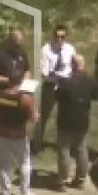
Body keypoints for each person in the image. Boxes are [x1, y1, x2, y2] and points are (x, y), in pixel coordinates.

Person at [0, 69, 39, 195]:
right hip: (19, 135)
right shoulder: (25, 98)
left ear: (9, 80)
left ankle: (5, 194)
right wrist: (36, 114)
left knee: (4, 164)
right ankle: (24, 193)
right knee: (24, 162)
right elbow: (34, 118)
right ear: (21, 81)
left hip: (2, 134)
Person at [32, 24, 76, 154]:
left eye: (62, 37)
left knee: (67, 115)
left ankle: (66, 144)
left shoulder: (70, 49)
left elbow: (74, 67)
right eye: (57, 36)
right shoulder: (46, 50)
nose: (59, 40)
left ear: (66, 37)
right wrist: (56, 77)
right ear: (53, 36)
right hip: (51, 85)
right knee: (44, 115)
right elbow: (45, 73)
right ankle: (36, 144)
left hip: (66, 84)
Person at [55, 54, 95, 191]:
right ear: (83, 64)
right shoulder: (90, 81)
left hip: (66, 121)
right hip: (82, 121)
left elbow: (57, 96)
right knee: (81, 149)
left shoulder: (65, 83)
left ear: (72, 65)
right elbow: (95, 95)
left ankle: (62, 180)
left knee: (64, 150)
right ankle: (80, 179)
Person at [0, 29, 31, 98]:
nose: (18, 47)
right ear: (10, 41)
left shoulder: (21, 50)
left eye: (20, 44)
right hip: (1, 90)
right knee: (24, 100)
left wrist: (24, 83)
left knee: (28, 98)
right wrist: (11, 81)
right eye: (16, 45)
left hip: (19, 88)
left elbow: (27, 71)